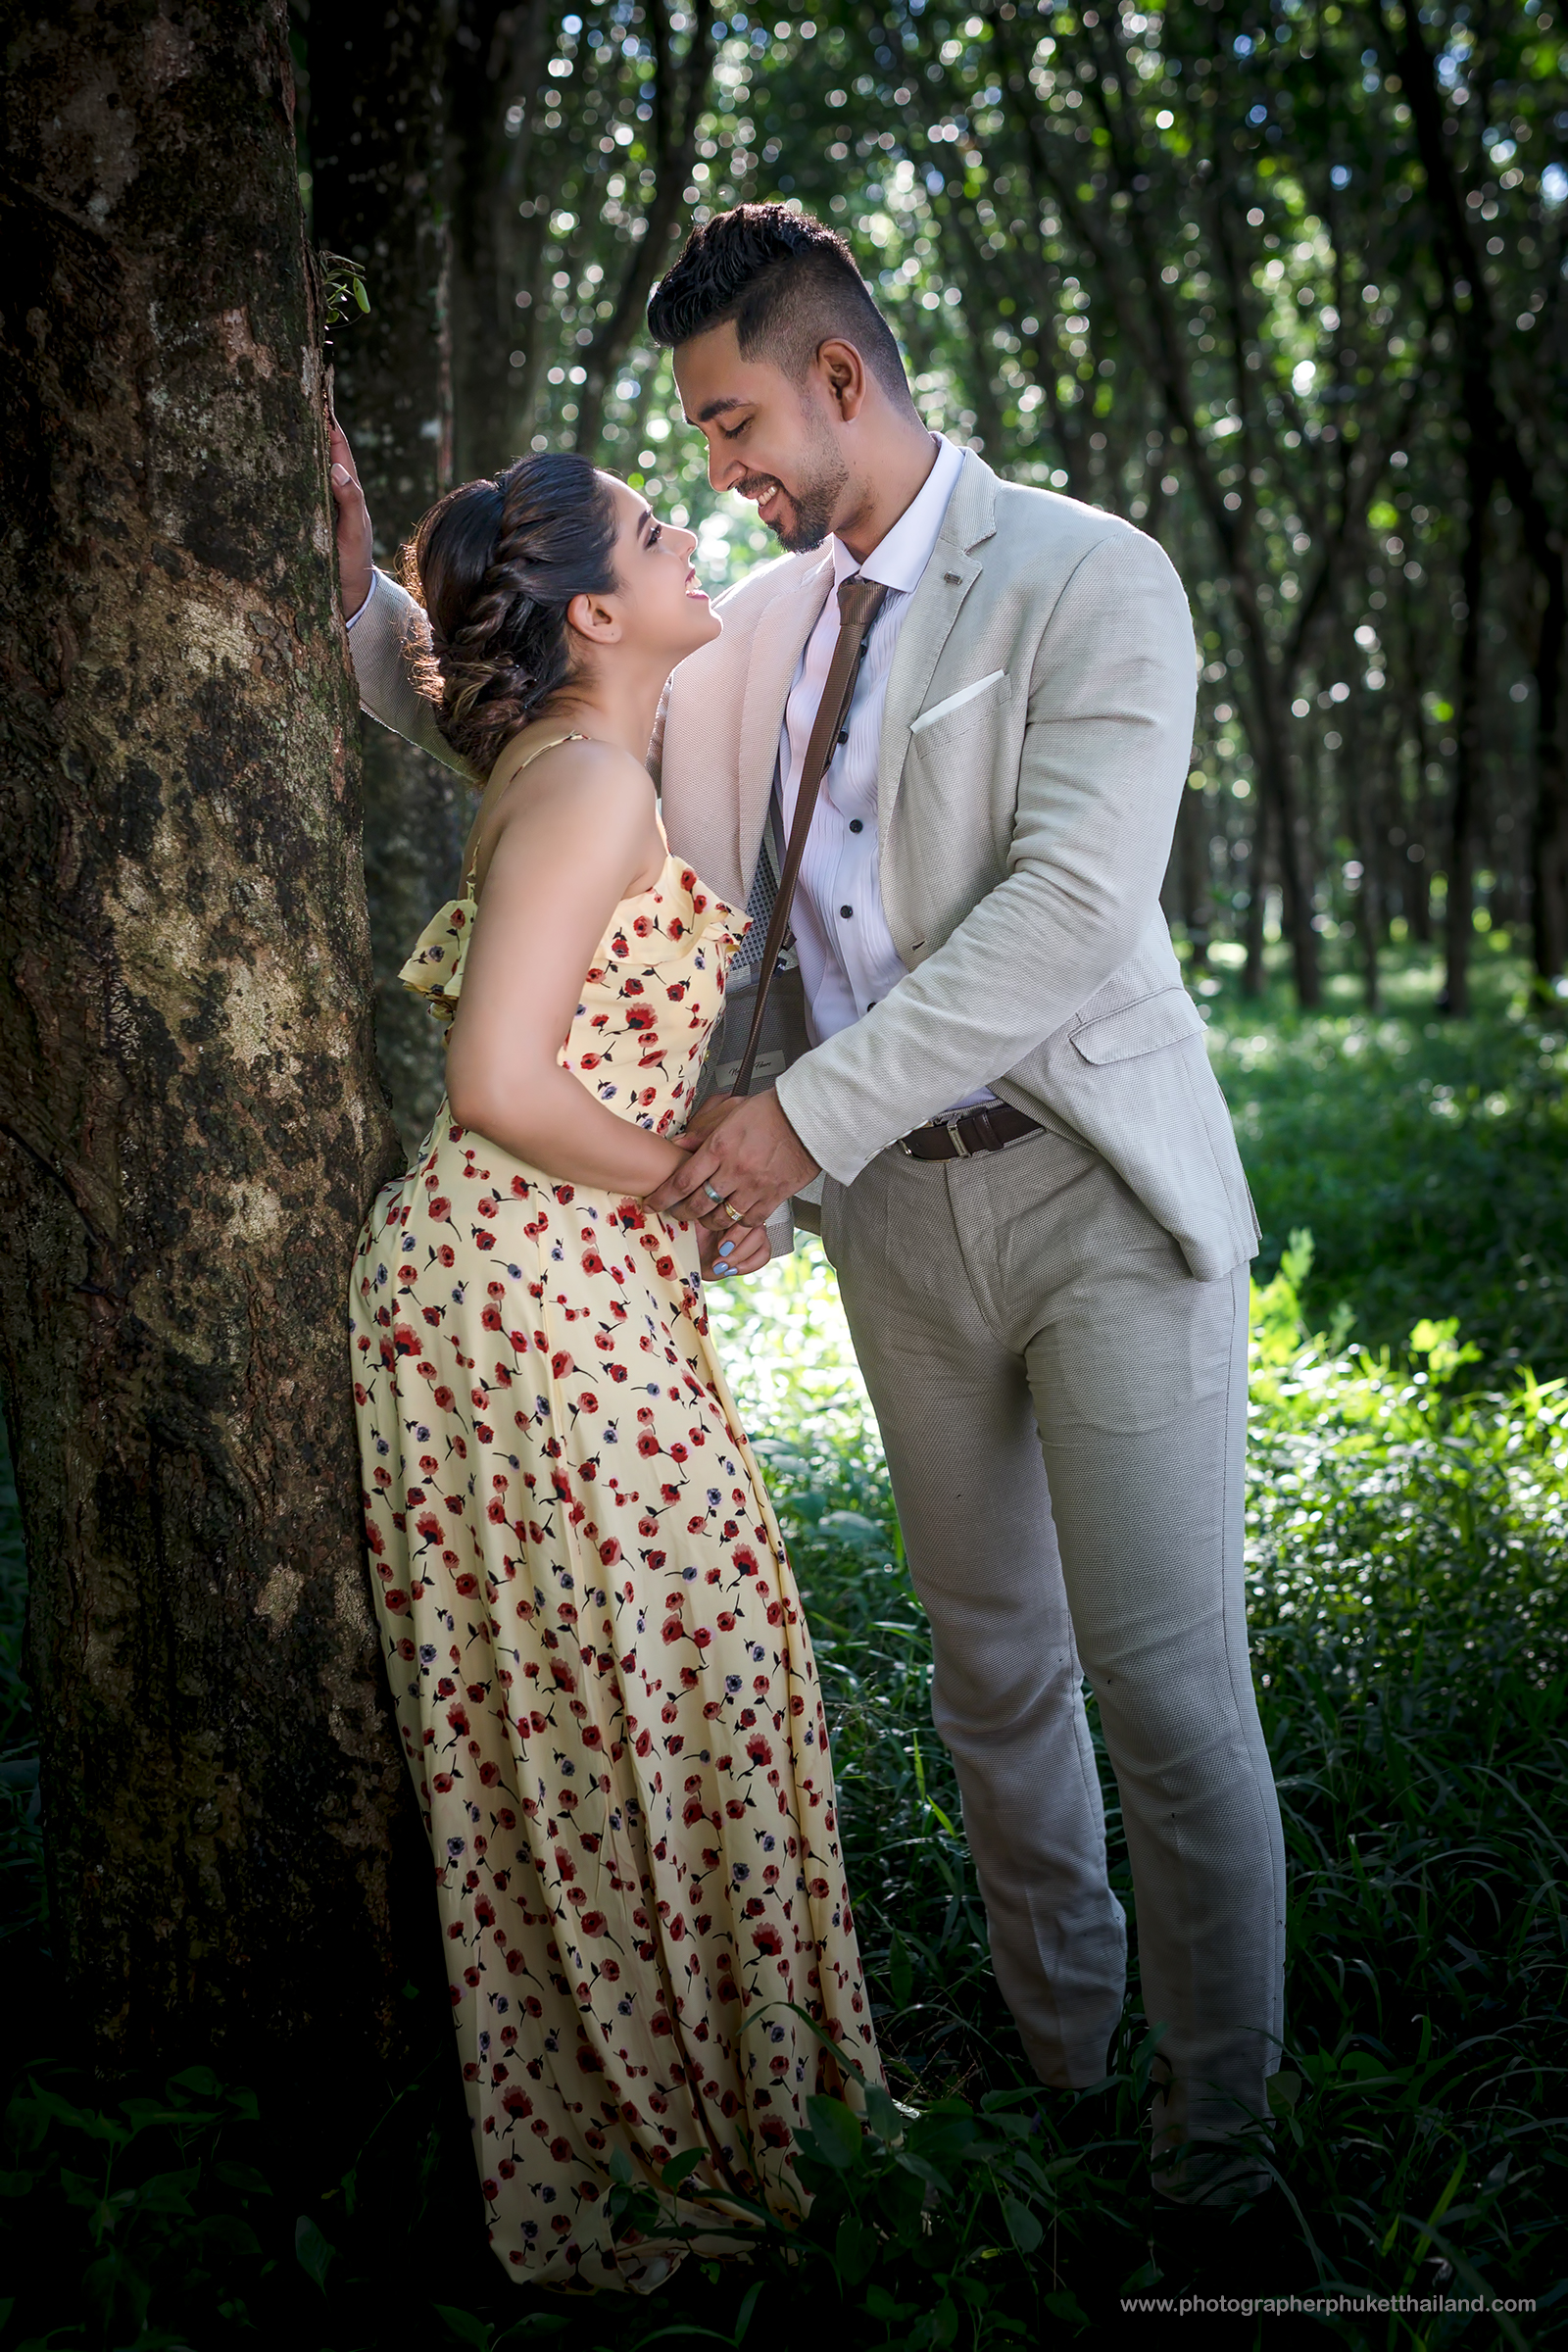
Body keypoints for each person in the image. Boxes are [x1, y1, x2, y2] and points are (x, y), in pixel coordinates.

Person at [335, 203, 1286, 2207]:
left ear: (835, 378)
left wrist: (783, 1126)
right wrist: (366, 597)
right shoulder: (754, 624)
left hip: (1094, 1196)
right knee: (990, 1674)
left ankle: (1220, 2155)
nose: (723, 470)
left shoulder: (1088, 579)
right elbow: (549, 739)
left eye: (733, 418)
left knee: (1167, 1692)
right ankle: (1060, 2077)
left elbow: (1061, 911)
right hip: (891, 1225)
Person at [343, 445, 879, 2293]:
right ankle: (685, 2158)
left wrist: (364, 583)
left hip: (556, 1276)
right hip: (525, 1278)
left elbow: (425, 690)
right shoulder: (582, 790)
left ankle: (698, 2129)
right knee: (649, 1693)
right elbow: (498, 1082)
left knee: (645, 1685)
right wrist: (705, 1173)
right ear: (591, 611)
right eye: (659, 533)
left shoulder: (563, 765)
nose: (693, 537)